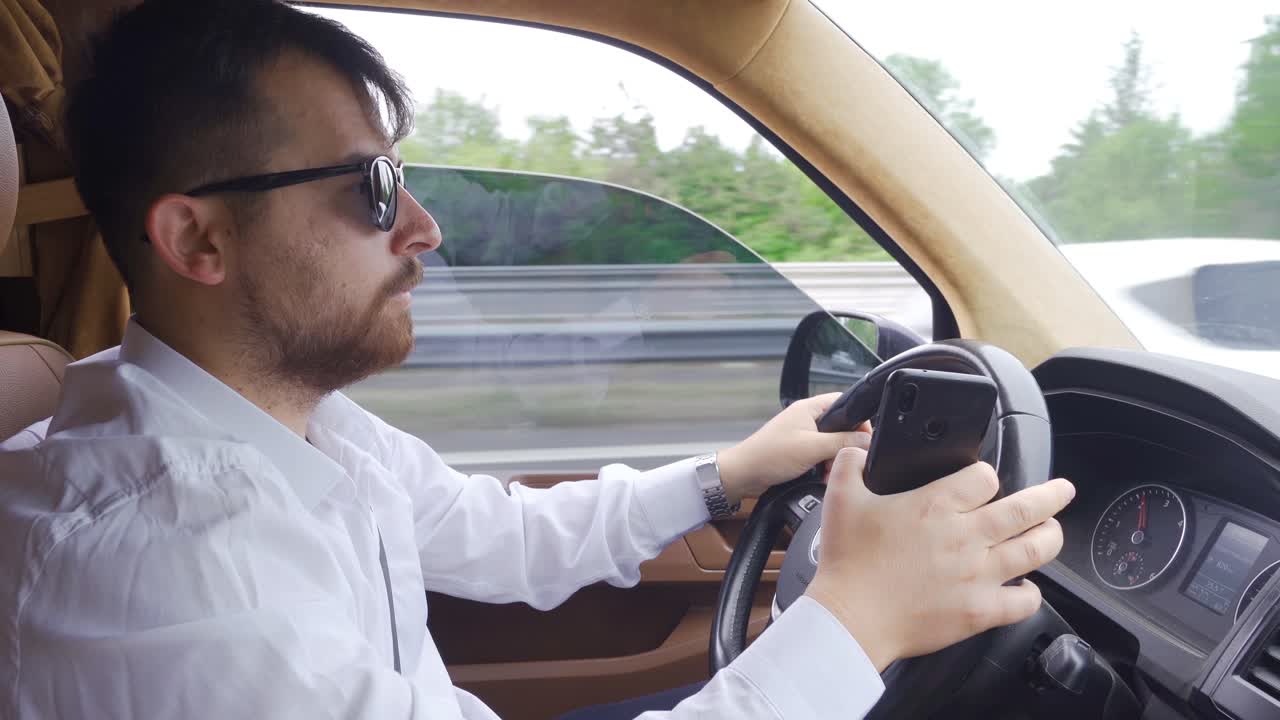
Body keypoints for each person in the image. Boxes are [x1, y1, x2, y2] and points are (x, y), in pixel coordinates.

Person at [0, 0, 1075, 718]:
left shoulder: (288, 425)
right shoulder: (162, 572)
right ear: (198, 241)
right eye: (369, 189)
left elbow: (505, 536)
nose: (421, 226)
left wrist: (728, 476)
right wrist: (861, 613)